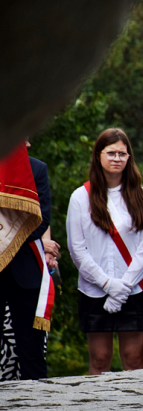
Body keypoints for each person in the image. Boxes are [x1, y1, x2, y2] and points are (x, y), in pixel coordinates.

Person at [66, 128, 143, 375]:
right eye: (111, 153)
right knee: (100, 359)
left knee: (134, 359)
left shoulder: (141, 196)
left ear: (129, 158)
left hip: (132, 289)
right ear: (98, 155)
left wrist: (122, 287)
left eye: (122, 153)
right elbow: (77, 250)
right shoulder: (80, 197)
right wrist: (108, 285)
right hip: (94, 290)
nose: (117, 158)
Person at [0, 152, 51, 380]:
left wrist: (8, 241)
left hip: (25, 271)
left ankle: (38, 410)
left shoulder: (36, 168)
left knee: (31, 352)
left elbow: (43, 220)